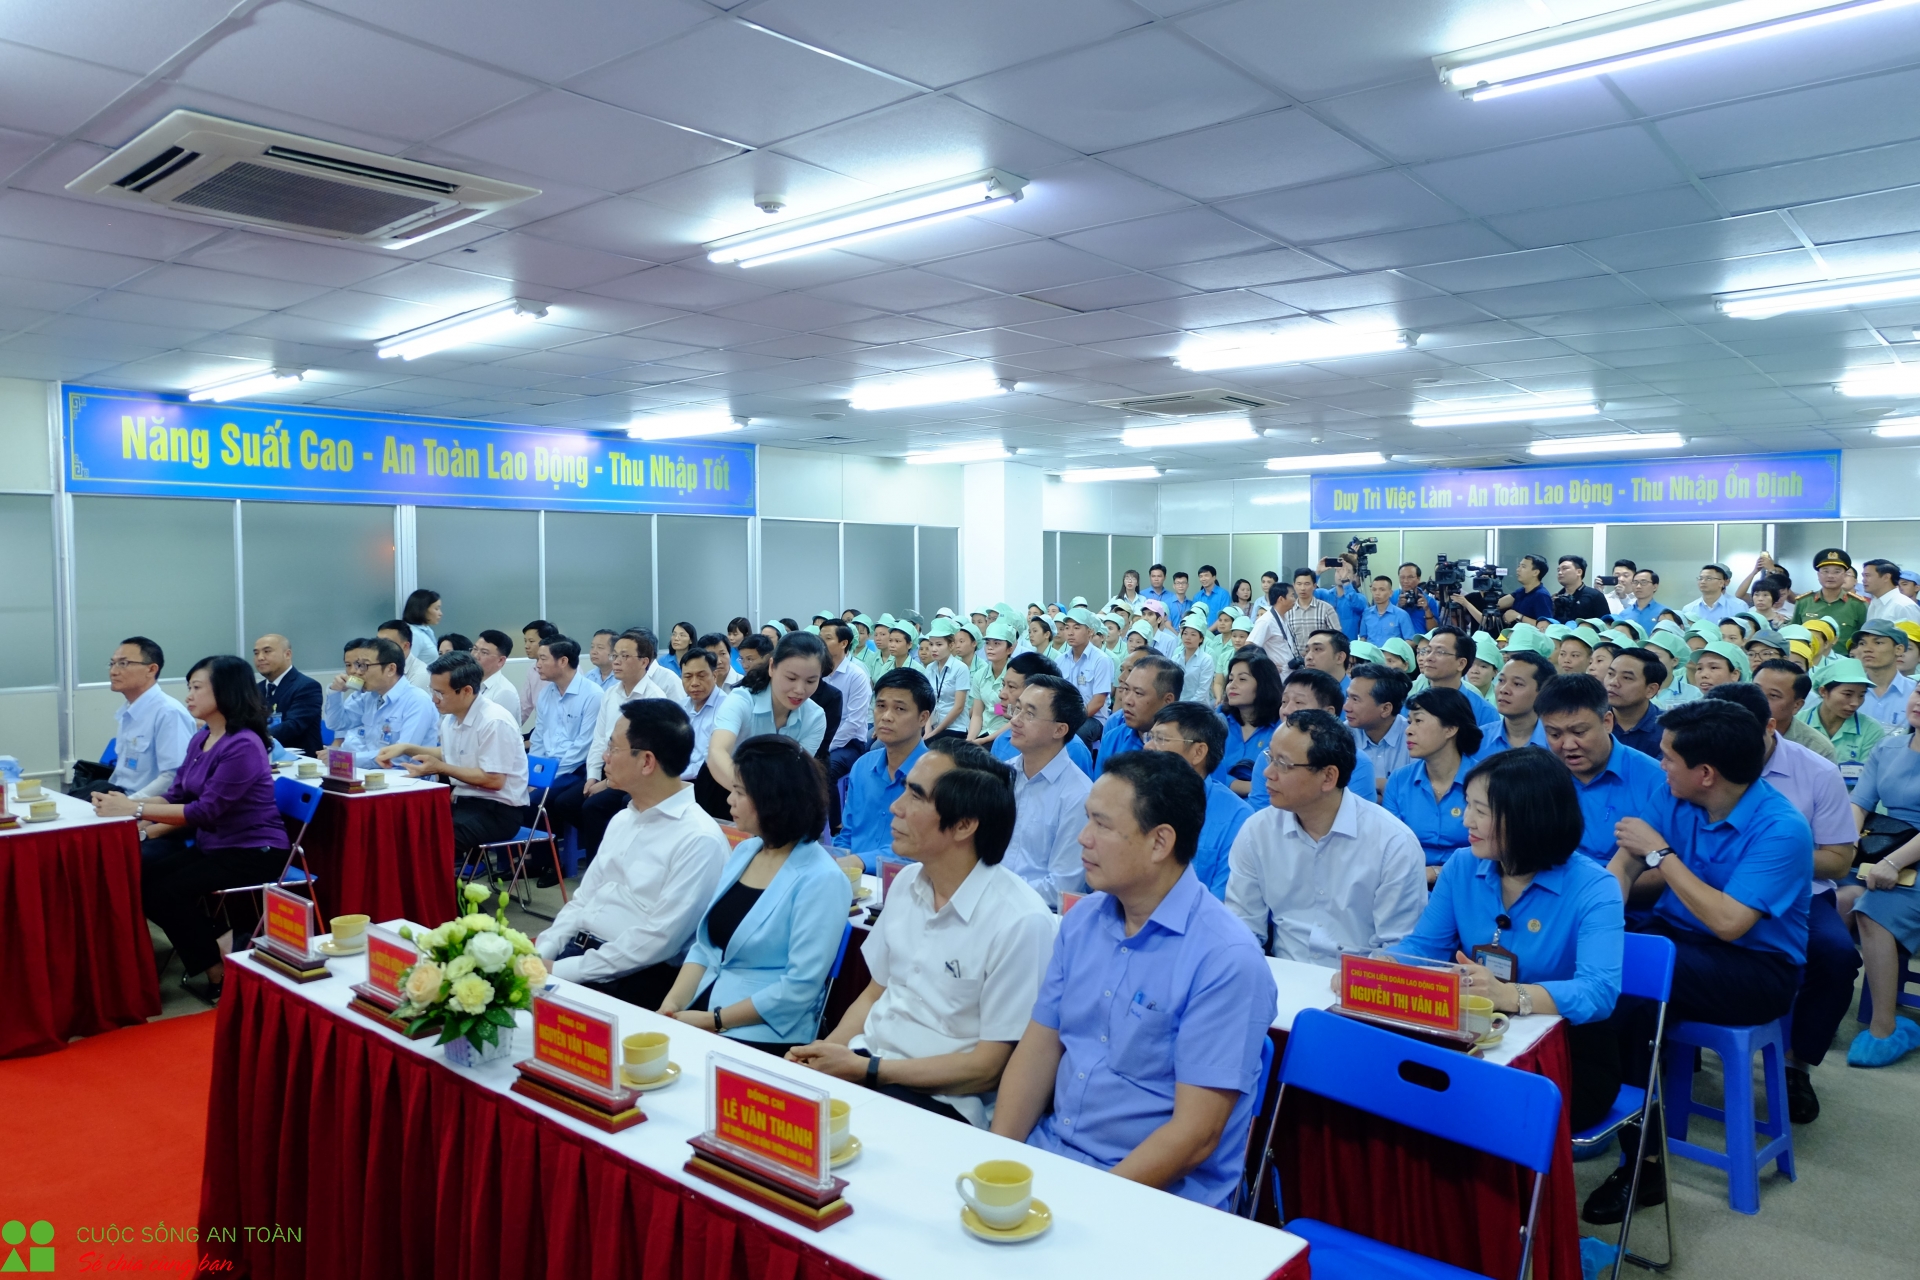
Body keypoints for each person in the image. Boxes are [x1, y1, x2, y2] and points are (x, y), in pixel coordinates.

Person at [992, 751, 1278, 1210]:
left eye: (1101, 825)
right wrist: (998, 1161)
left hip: (1153, 1196)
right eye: (1087, 819)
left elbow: (1195, 1135)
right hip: (1053, 1158)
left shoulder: (1226, 960)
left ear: (1160, 842)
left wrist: (1085, 1206)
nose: (1083, 838)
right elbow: (1038, 1051)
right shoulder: (1082, 921)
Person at [1582, 700, 1813, 1226]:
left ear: (1705, 773)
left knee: (1628, 991)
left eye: (1668, 757)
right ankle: (1620, 1130)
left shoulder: (1781, 828)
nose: (1660, 765)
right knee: (1606, 973)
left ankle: (1636, 1157)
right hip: (1679, 942)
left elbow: (1730, 923)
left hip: (1757, 968)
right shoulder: (1675, 795)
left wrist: (1663, 855)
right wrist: (1599, 931)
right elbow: (1622, 867)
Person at [789, 742, 1052, 1125]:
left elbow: (987, 1067)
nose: (896, 808)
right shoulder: (907, 882)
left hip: (943, 1100)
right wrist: (821, 1057)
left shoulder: (1021, 921)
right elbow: (875, 994)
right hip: (867, 1064)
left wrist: (869, 1070)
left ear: (964, 825)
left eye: (915, 796)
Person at [1395, 747, 1625, 1129]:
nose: (1466, 819)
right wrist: (1384, 967)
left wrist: (1510, 995)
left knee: (1466, 1111)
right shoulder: (1462, 865)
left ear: (1528, 817)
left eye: (1481, 811)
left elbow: (1598, 992)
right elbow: (1423, 947)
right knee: (1401, 1088)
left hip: (1567, 1050)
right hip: (1474, 1033)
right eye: (1467, 804)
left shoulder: (1595, 887)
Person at [94, 655, 287, 1004]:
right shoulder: (202, 738)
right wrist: (131, 815)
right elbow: (177, 794)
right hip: (215, 844)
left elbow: (205, 811)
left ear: (225, 692)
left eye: (197, 688)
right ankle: (224, 941)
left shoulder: (243, 744)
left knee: (164, 891)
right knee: (140, 876)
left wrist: (135, 809)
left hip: (254, 850)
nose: (189, 696)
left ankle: (216, 968)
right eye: (189, 687)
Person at [1702, 683, 1855, 1122]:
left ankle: (1795, 1065)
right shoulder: (1701, 764)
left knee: (1836, 956)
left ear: (1770, 727)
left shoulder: (1817, 771)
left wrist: (1769, 859)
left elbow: (1839, 858)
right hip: (1713, 888)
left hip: (1798, 894)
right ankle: (1675, 1048)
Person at [658, 736, 851, 1055]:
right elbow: (706, 948)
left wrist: (713, 1020)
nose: (729, 800)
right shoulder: (746, 851)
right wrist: (671, 1005)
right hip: (705, 1004)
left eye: (740, 792)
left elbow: (799, 989)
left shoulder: (823, 879)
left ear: (773, 799)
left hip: (765, 1028)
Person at [535, 700, 728, 1010]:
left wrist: (562, 970)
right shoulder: (623, 818)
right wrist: (542, 952)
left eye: (613, 748)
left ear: (647, 761)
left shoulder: (699, 839)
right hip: (578, 956)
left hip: (632, 979)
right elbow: (583, 900)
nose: (605, 757)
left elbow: (658, 940)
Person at [1226, 708, 1426, 964]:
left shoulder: (1392, 843)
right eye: (1270, 758)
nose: (1268, 773)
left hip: (1362, 981)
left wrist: (1356, 981)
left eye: (1283, 764)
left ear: (1328, 777)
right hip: (1282, 976)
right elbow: (1242, 929)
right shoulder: (1257, 831)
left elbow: (1398, 947)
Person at [377, 651, 529, 856]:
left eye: (440, 693)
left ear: (466, 691)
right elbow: (450, 753)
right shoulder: (451, 718)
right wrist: (406, 748)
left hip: (497, 812)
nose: (434, 699)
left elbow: (494, 780)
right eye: (432, 690)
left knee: (433, 841)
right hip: (464, 803)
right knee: (404, 826)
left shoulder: (494, 721)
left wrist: (440, 768)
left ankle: (444, 878)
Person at [1848, 686, 1920, 1066]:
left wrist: (1894, 863)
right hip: (1885, 848)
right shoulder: (1888, 747)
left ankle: (1885, 1028)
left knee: (1871, 911)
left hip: (1902, 859)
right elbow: (1859, 803)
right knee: (1832, 901)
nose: (1919, 701)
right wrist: (1847, 847)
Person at [1537, 674, 1670, 867]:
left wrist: (1596, 883)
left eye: (1579, 732)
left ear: (1607, 722)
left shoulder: (1656, 781)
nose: (1568, 745)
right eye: (1554, 734)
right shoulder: (1538, 776)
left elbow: (1669, 865)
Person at [703, 631, 829, 815]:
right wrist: (753, 795)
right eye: (791, 678)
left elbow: (795, 773)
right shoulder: (741, 700)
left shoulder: (815, 717)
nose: (800, 690)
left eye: (811, 681)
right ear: (772, 667)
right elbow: (717, 752)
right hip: (724, 785)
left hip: (775, 798)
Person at [572, 631, 666, 860]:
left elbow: (646, 754)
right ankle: (604, 855)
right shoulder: (610, 694)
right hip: (609, 769)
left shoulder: (654, 698)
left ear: (644, 661)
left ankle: (605, 864)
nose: (616, 661)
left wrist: (606, 784)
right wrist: (592, 777)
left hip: (637, 777)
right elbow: (599, 740)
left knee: (594, 806)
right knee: (567, 802)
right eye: (615, 655)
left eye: (624, 656)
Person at [1003, 674, 1095, 907]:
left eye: (1030, 714)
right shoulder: (1002, 774)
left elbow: (1063, 887)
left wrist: (998, 893)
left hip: (1040, 914)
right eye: (1018, 709)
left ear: (1059, 729)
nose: (1015, 720)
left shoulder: (1079, 796)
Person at [1147, 702, 1250, 900]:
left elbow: (1223, 904)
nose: (1148, 746)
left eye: (1160, 739)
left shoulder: (1237, 818)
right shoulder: (1135, 798)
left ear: (1198, 752)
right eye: (1150, 737)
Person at [77, 636, 196, 800]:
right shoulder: (129, 711)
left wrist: (128, 804)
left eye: (123, 663)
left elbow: (173, 776)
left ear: (151, 669)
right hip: (118, 796)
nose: (113, 671)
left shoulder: (168, 713)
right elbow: (121, 777)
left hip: (145, 806)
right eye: (112, 663)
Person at [1384, 687, 1484, 877]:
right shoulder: (1399, 780)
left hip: (1470, 878)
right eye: (1409, 722)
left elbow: (1493, 850)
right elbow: (1390, 843)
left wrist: (1435, 872)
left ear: (1450, 728)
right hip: (1410, 879)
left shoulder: (1486, 781)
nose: (1408, 730)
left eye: (1419, 721)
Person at [841, 668, 932, 873]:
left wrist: (860, 861)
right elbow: (848, 833)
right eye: (881, 706)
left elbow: (924, 847)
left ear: (923, 718)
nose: (886, 717)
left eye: (900, 709)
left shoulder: (935, 776)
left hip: (908, 882)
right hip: (854, 877)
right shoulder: (862, 766)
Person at [523, 635, 597, 879]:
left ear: (563, 661)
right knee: (516, 794)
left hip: (577, 768)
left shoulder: (592, 695)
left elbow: (583, 746)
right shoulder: (547, 694)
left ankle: (553, 864)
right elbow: (539, 737)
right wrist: (535, 773)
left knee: (540, 800)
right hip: (548, 767)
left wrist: (547, 777)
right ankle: (536, 860)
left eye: (543, 659)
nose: (537, 665)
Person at [322, 636, 438, 768]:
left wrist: (346, 758)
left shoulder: (417, 700)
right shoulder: (368, 697)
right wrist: (335, 692)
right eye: (358, 665)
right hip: (372, 773)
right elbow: (337, 724)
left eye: (364, 666)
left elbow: (401, 756)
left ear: (390, 669)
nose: (357, 672)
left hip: (406, 776)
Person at [1276, 668, 1375, 806]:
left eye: (1299, 702)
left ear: (1328, 713)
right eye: (1284, 701)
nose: (1286, 711)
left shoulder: (1358, 762)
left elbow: (1357, 813)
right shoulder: (1269, 757)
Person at [988, 652, 1097, 776]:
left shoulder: (1073, 749)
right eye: (1003, 685)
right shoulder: (1003, 739)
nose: (1001, 694)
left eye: (1011, 686)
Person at [1796, 657, 1886, 783]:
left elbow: (1868, 781)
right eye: (1847, 694)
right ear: (1823, 691)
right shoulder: (1798, 723)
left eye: (1861, 695)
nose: (1855, 703)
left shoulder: (1871, 730)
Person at [1096, 653, 1180, 776]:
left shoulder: (1184, 747)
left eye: (1138, 693)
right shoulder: (1113, 738)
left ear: (1168, 700)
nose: (1127, 700)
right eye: (1126, 689)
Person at [1216, 649, 1283, 801]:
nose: (1232, 686)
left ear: (1263, 684)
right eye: (1230, 679)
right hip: (1220, 800)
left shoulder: (1281, 727)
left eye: (1242, 679)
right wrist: (1244, 786)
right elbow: (1207, 771)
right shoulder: (1219, 719)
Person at [1344, 661, 1411, 802]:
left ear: (1385, 709)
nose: (1346, 707)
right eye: (1348, 697)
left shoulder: (1414, 737)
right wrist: (1383, 787)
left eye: (1355, 699)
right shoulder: (1341, 735)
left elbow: (1413, 798)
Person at [1752, 658, 1839, 763]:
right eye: (1755, 689)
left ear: (1796, 706)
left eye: (1773, 695)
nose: (1758, 699)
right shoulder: (1734, 729)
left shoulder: (1817, 749)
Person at [250, 634, 323, 755]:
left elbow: (293, 725)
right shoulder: (256, 689)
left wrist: (253, 738)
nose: (260, 658)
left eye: (267, 651)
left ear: (287, 654)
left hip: (300, 760)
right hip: (263, 755)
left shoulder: (307, 686)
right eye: (256, 653)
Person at [820, 620, 874, 777]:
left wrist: (826, 746)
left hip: (849, 743)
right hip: (818, 737)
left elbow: (853, 722)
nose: (821, 643)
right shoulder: (816, 672)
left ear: (843, 643)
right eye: (820, 637)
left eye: (827, 638)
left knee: (826, 769)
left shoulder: (856, 675)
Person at [1419, 625, 1501, 727]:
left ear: (1461, 663)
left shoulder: (1484, 711)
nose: (1428, 658)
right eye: (1428, 651)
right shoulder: (1415, 703)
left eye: (1440, 652)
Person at [1055, 607, 1115, 738]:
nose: (1070, 633)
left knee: (1079, 732)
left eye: (1076, 628)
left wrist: (1074, 719)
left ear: (1090, 632)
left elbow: (1098, 701)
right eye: (1067, 628)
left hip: (1094, 718)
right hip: (1066, 717)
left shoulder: (1101, 660)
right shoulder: (1060, 660)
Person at [1792, 548, 1867, 648]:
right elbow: (1794, 633)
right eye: (1825, 571)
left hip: (1844, 657)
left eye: (1837, 572)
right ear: (1818, 575)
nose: (1830, 576)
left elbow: (1864, 637)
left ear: (1844, 575)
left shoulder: (1857, 604)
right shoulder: (1804, 602)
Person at [1482, 649, 1553, 756]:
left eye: (1517, 684)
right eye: (1501, 680)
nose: (1503, 690)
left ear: (1543, 691)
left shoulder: (1556, 744)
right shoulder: (1478, 739)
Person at [1605, 647, 1666, 759]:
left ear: (1651, 690)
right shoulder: (1592, 719)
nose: (1613, 682)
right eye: (1610, 674)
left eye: (1627, 678)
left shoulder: (1669, 729)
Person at [1852, 619, 1916, 728]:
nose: (1867, 649)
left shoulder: (1914, 692)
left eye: (1878, 643)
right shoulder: (1848, 692)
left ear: (1899, 649)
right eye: (1862, 643)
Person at [967, 620, 1018, 746]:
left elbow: (1015, 715)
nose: (990, 647)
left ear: (1009, 649)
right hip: (983, 732)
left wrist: (985, 740)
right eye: (987, 643)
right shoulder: (980, 675)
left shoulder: (1017, 676)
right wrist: (969, 741)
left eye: (996, 643)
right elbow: (977, 715)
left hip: (1007, 734)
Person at [921, 619, 972, 741]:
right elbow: (928, 703)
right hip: (933, 725)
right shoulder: (929, 668)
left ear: (951, 645)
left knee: (927, 746)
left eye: (939, 645)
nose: (933, 649)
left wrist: (933, 733)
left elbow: (959, 707)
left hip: (955, 727)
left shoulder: (960, 668)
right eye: (931, 644)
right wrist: (927, 731)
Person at [1283, 568, 1340, 654]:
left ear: (1314, 586)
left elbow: (1337, 636)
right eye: (1299, 584)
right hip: (1296, 659)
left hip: (1321, 658)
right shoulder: (1287, 611)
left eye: (1307, 584)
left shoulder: (1326, 608)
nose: (1302, 588)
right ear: (1294, 586)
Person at [471, 630, 522, 722]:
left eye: (484, 653)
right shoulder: (468, 681)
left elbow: (501, 728)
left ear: (500, 661)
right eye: (475, 649)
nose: (475, 656)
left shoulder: (504, 692)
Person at [1247, 581, 1299, 669]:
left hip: (1289, 672)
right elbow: (1249, 647)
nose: (1294, 599)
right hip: (1276, 674)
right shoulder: (1266, 620)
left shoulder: (1285, 617)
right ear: (1281, 599)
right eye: (1292, 595)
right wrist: (1266, 666)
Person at [1359, 574, 1418, 645]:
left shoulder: (1401, 614)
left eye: (1382, 589)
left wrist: (1396, 650)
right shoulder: (1366, 613)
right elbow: (1363, 638)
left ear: (1390, 593)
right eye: (1374, 590)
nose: (1377, 593)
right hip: (1371, 651)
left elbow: (1411, 641)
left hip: (1393, 651)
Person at [376, 619, 433, 692]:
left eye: (386, 643)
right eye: (377, 642)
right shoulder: (375, 667)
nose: (379, 648)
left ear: (405, 646)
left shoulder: (421, 674)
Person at [1862, 558, 1920, 624]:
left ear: (1886, 577)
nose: (1863, 580)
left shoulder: (1904, 606)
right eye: (1863, 576)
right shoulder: (1874, 603)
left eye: (1867, 575)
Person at [1615, 569, 1671, 635]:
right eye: (1635, 582)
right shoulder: (1624, 614)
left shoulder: (1666, 613)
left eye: (1644, 582)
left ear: (1655, 587)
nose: (1638, 586)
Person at [1176, 611, 1216, 703]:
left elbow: (1202, 691)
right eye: (1185, 633)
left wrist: (1187, 707)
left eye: (1193, 634)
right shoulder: (1175, 658)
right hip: (1178, 705)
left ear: (1201, 638)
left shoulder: (1206, 660)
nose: (1188, 637)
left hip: (1198, 707)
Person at [1554, 555, 1610, 621]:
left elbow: (1606, 623)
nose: (1560, 573)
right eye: (1558, 570)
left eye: (1565, 568)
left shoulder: (1595, 596)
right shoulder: (1557, 597)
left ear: (1579, 572)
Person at [1397, 561, 1439, 631]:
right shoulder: (1392, 597)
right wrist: (1398, 607)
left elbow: (1433, 631)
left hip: (1421, 637)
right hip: (1398, 637)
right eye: (1402, 577)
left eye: (1410, 577)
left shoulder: (1429, 601)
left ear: (1418, 579)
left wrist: (1427, 610)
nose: (1405, 581)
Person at [401, 588, 442, 659]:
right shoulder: (414, 634)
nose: (440, 613)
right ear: (423, 609)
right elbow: (408, 663)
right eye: (436, 609)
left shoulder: (426, 630)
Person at [580, 629, 620, 693]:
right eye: (592, 647)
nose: (593, 652)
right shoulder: (588, 676)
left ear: (614, 652)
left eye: (600, 647)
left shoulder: (622, 678)